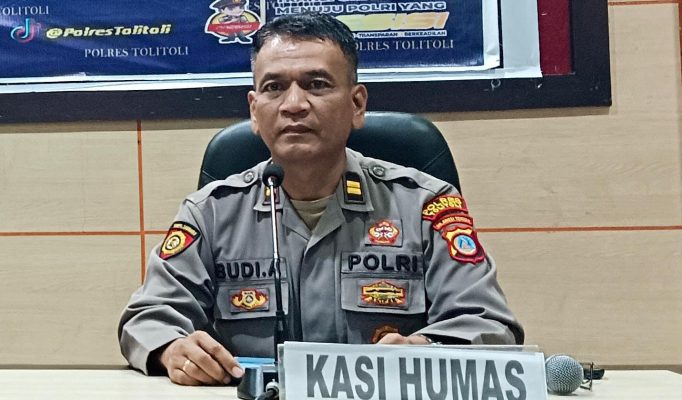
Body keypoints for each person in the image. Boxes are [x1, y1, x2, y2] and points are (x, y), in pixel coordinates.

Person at [118, 12, 524, 386]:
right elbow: (148, 318)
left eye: (317, 84)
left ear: (357, 104)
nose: (294, 105)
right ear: (255, 111)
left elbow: (488, 325)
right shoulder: (211, 213)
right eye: (274, 87)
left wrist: (426, 350)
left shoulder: (424, 206)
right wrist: (172, 348)